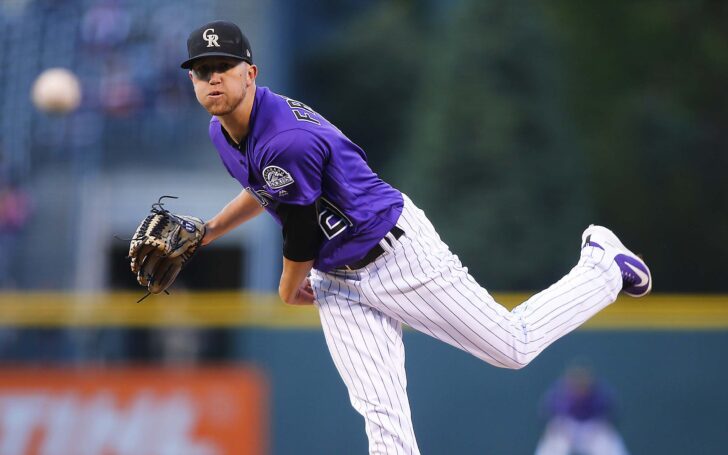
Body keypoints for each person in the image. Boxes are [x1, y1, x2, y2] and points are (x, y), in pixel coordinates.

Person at [182, 20, 652, 454]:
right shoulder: (223, 133)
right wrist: (210, 230)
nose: (214, 78)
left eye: (224, 66)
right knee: (382, 417)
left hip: (396, 253)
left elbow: (300, 232)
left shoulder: (285, 136)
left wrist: (287, 289)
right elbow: (265, 186)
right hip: (338, 280)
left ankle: (602, 266)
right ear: (193, 82)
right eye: (203, 71)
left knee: (512, 346)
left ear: (251, 72)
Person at [535, 364, 630, 455]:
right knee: (553, 442)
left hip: (592, 427)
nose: (579, 383)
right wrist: (558, 428)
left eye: (582, 380)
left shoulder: (599, 394)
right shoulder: (560, 393)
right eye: (576, 380)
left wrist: (602, 426)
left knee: (608, 442)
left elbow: (613, 412)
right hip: (567, 426)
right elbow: (545, 413)